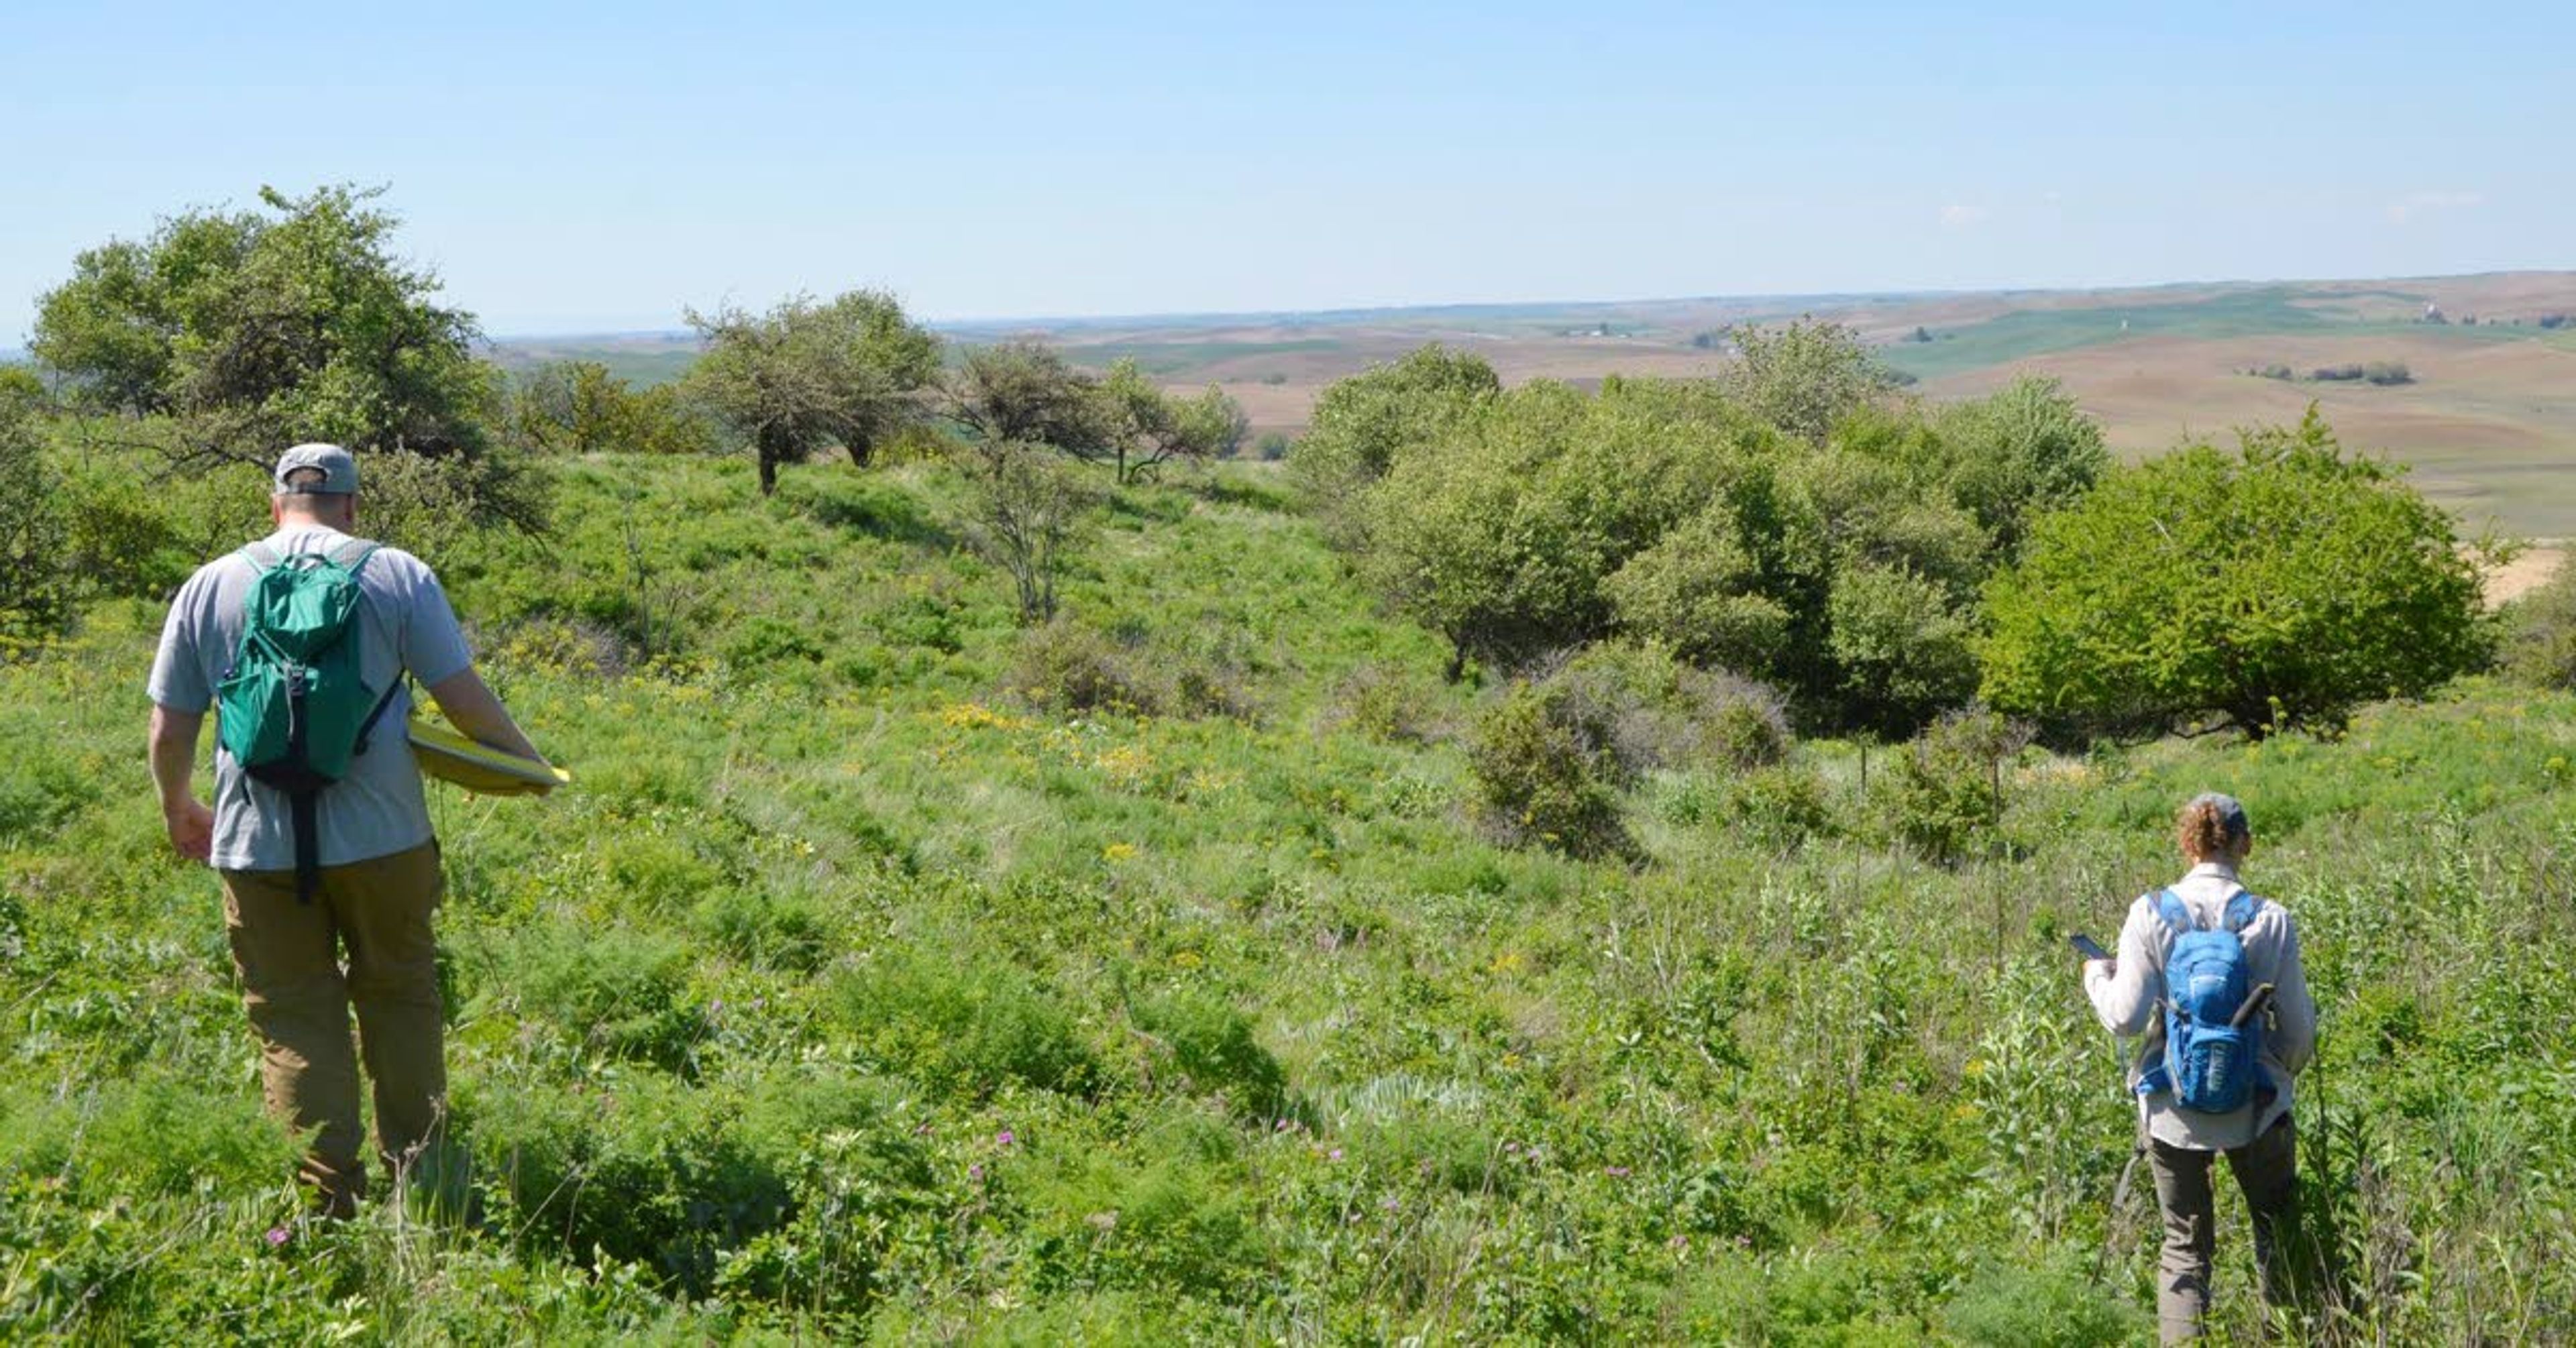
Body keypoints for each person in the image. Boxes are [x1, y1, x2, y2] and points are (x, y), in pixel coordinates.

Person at [146, 443, 547, 1217]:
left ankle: (325, 1206)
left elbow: (171, 725)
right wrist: (529, 768)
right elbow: (464, 702)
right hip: (385, 841)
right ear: (353, 506)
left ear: (274, 506)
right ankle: (420, 1179)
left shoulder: (213, 583)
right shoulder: (398, 574)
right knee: (399, 997)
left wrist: (179, 807)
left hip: (255, 845)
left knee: (294, 1015)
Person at [2084, 793, 2318, 1342]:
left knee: (2184, 1250)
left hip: (2172, 1110)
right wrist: (2274, 1075)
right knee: (2276, 1231)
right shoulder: (2272, 919)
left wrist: (2096, 975)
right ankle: (2283, 1334)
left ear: (2187, 842)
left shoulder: (2149, 912)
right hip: (2258, 1108)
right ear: (2246, 845)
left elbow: (2124, 1018)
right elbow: (2300, 1034)